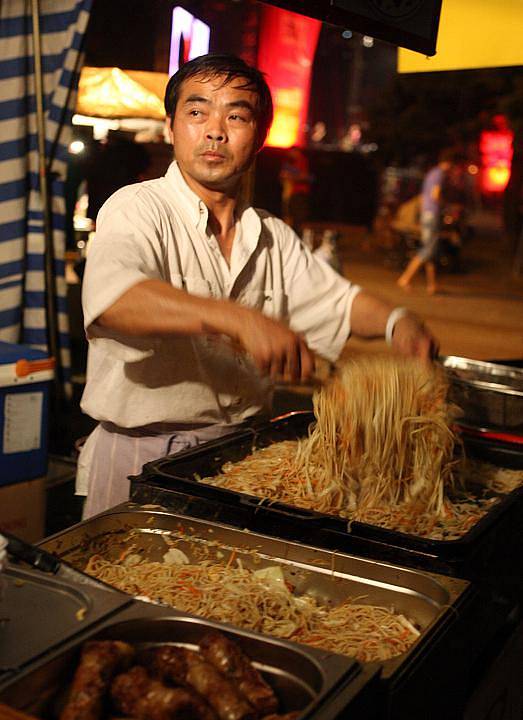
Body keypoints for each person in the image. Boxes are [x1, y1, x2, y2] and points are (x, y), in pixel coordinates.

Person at [78, 53, 436, 518]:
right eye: (196, 111)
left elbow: (339, 303)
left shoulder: (269, 235)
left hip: (241, 461)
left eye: (236, 116)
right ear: (171, 128)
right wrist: (238, 318)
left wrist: (396, 322)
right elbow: (116, 301)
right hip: (142, 459)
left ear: (260, 137)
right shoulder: (137, 209)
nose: (214, 130)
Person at [397, 150, 456, 294]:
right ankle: (405, 278)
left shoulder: (431, 173)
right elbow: (435, 195)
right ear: (449, 163)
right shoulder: (440, 175)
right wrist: (447, 207)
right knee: (428, 249)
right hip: (431, 215)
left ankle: (432, 285)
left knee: (431, 250)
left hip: (426, 214)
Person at [279, 146, 312, 236]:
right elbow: (282, 175)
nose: (290, 154)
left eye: (291, 152)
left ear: (296, 152)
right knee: (289, 216)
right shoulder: (289, 162)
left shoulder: (302, 161)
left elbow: (306, 177)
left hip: (300, 193)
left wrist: (290, 176)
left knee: (298, 218)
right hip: (290, 193)